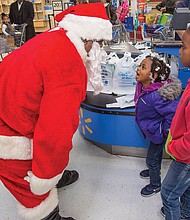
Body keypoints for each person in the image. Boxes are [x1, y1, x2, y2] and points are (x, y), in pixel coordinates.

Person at [0, 3, 112, 220]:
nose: (101, 49)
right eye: (100, 42)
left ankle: (54, 174)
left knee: (50, 159)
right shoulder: (68, 67)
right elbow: (54, 134)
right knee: (33, 190)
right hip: (9, 134)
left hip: (10, 108)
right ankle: (48, 213)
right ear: (89, 38)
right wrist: (45, 176)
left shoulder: (55, 38)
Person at [134, 56, 182, 197]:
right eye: (140, 65)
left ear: (153, 75)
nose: (138, 69)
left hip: (158, 133)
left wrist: (163, 131)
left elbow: (172, 114)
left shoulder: (158, 95)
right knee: (155, 155)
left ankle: (155, 185)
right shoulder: (144, 86)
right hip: (152, 129)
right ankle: (152, 169)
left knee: (151, 159)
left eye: (143, 67)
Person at [160, 24, 190, 220]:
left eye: (184, 46)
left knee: (169, 194)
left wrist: (175, 147)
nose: (179, 50)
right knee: (186, 192)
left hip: (185, 158)